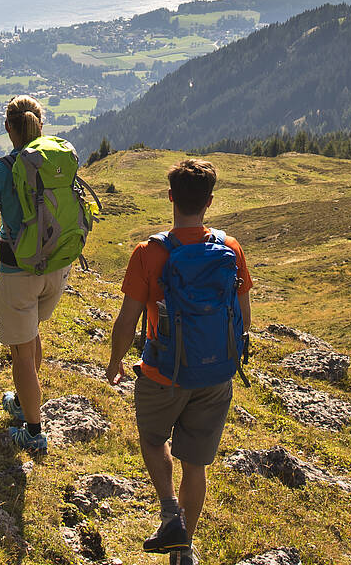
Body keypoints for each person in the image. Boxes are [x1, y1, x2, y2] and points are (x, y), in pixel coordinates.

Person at [107, 158, 252, 565]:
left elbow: (127, 319)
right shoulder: (230, 248)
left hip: (163, 372)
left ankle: (170, 513)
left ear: (170, 197)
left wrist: (116, 361)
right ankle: (183, 549)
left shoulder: (150, 253)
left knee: (154, 441)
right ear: (209, 201)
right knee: (196, 463)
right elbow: (243, 315)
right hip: (216, 374)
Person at [0, 95, 74, 453]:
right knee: (29, 340)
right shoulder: (55, 161)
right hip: (57, 267)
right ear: (39, 125)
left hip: (18, 271)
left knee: (21, 353)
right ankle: (23, 402)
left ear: (8, 127)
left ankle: (33, 429)